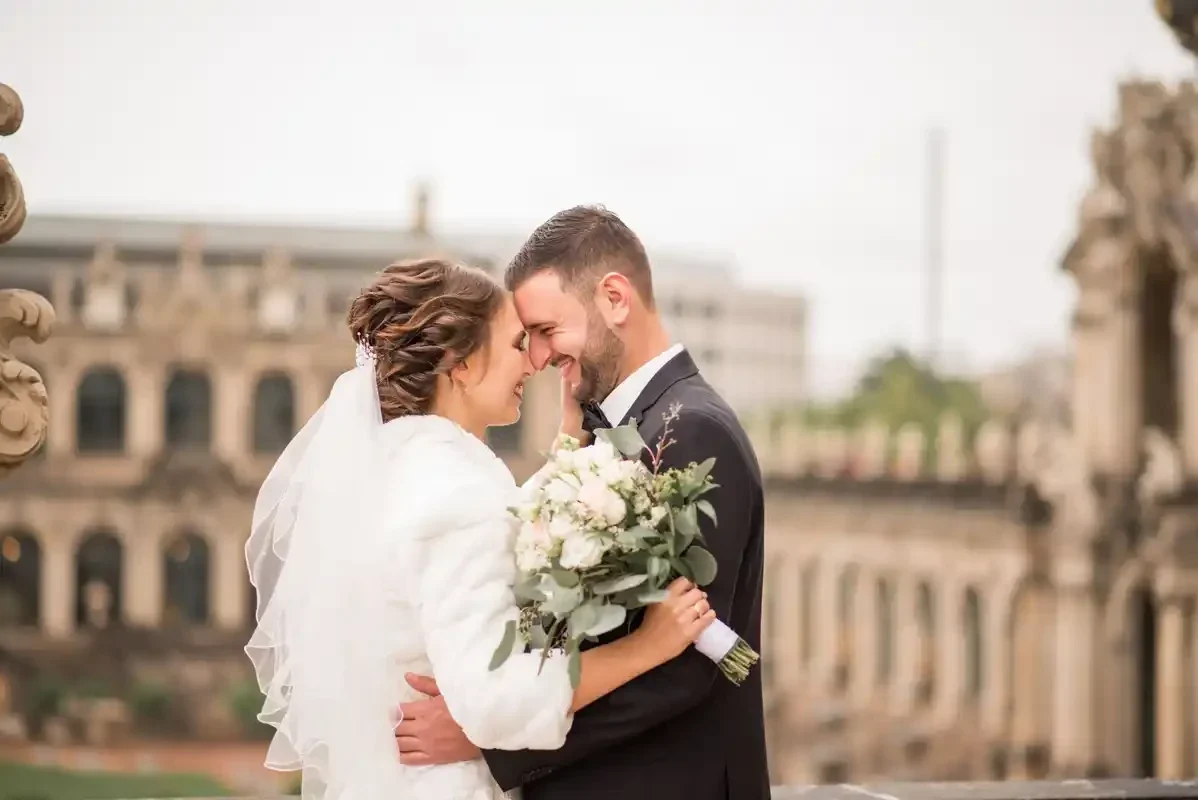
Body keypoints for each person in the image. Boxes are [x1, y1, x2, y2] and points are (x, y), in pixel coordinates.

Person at [244, 257, 717, 800]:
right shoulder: (454, 495)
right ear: (461, 365)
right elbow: (496, 700)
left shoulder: (396, 471)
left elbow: (495, 532)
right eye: (517, 344)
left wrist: (568, 445)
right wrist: (647, 646)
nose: (534, 363)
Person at [396, 207, 769, 800]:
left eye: (547, 330)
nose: (538, 357)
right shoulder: (616, 430)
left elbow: (687, 662)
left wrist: (489, 740)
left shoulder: (692, 431)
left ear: (615, 299)